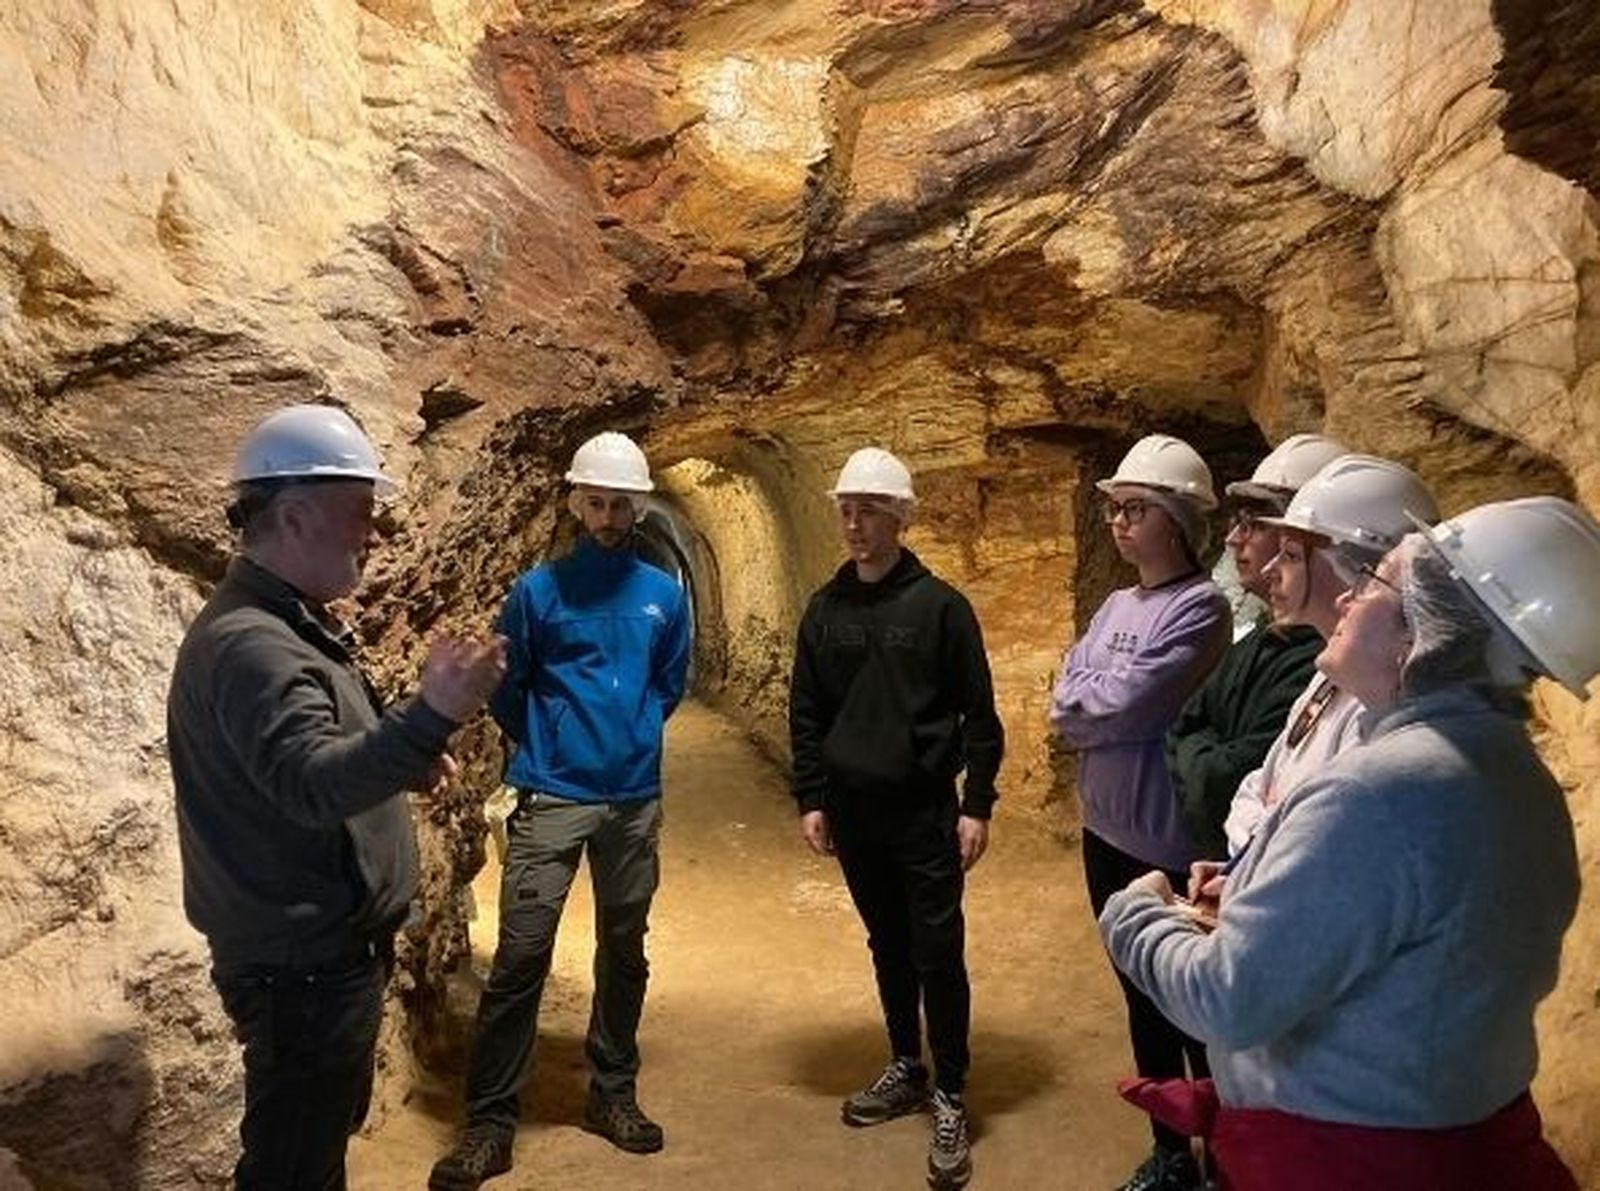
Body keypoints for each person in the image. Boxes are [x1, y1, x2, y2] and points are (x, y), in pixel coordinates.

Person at [1100, 496, 1600, 1190]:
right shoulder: (1522, 779)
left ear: (1418, 636)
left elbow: (1226, 998)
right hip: (1454, 1134)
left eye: (1374, 584)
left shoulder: (1381, 791)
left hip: (1348, 1158)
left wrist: (1136, 912)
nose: (1350, 597)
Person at [168, 403, 507, 1191]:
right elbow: (313, 785)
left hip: (318, 959)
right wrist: (430, 715)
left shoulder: (286, 624)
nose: (373, 533)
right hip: (302, 970)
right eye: (359, 512)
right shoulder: (252, 645)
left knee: (311, 1151)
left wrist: (406, 757)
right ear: (293, 514)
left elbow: (314, 761)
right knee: (292, 1166)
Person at [430, 431, 691, 1191]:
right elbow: (509, 685)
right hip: (552, 794)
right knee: (519, 958)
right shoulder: (537, 593)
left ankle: (613, 1094)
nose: (609, 515)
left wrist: (630, 736)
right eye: (597, 501)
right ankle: (490, 1121)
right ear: (577, 502)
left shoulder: (661, 595)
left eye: (621, 504)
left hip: (631, 797)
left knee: (625, 948)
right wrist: (552, 742)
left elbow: (669, 682)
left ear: (638, 506)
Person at [789, 446, 1004, 1191]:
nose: (853, 523)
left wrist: (976, 803)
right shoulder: (825, 608)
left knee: (937, 949)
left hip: (922, 810)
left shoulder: (942, 608)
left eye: (869, 510)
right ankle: (907, 1065)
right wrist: (811, 796)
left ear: (901, 518)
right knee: (888, 943)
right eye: (846, 510)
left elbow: (981, 713)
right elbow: (807, 710)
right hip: (854, 812)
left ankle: (951, 1091)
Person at [1048, 433, 1232, 1191]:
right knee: (1139, 998)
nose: (1120, 523)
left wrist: (1095, 694)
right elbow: (1070, 699)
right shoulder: (1120, 602)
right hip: (1105, 832)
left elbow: (1125, 702)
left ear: (1179, 521)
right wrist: (1095, 696)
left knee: (1194, 1010)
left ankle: (1224, 1157)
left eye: (1137, 510)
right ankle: (1169, 1153)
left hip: (1167, 841)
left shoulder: (1203, 609)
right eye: (1117, 510)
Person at [1212, 455, 1438, 857]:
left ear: (1359, 572)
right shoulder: (1330, 673)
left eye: (1293, 556)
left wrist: (1266, 831)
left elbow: (1317, 840)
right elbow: (1256, 786)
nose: (1271, 570)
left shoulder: (1387, 693)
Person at [1166, 434, 1348, 858]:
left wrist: (1202, 765)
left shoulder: (1327, 662)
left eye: (1252, 522)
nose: (1233, 539)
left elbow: (1224, 783)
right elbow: (1184, 726)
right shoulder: (1263, 636)